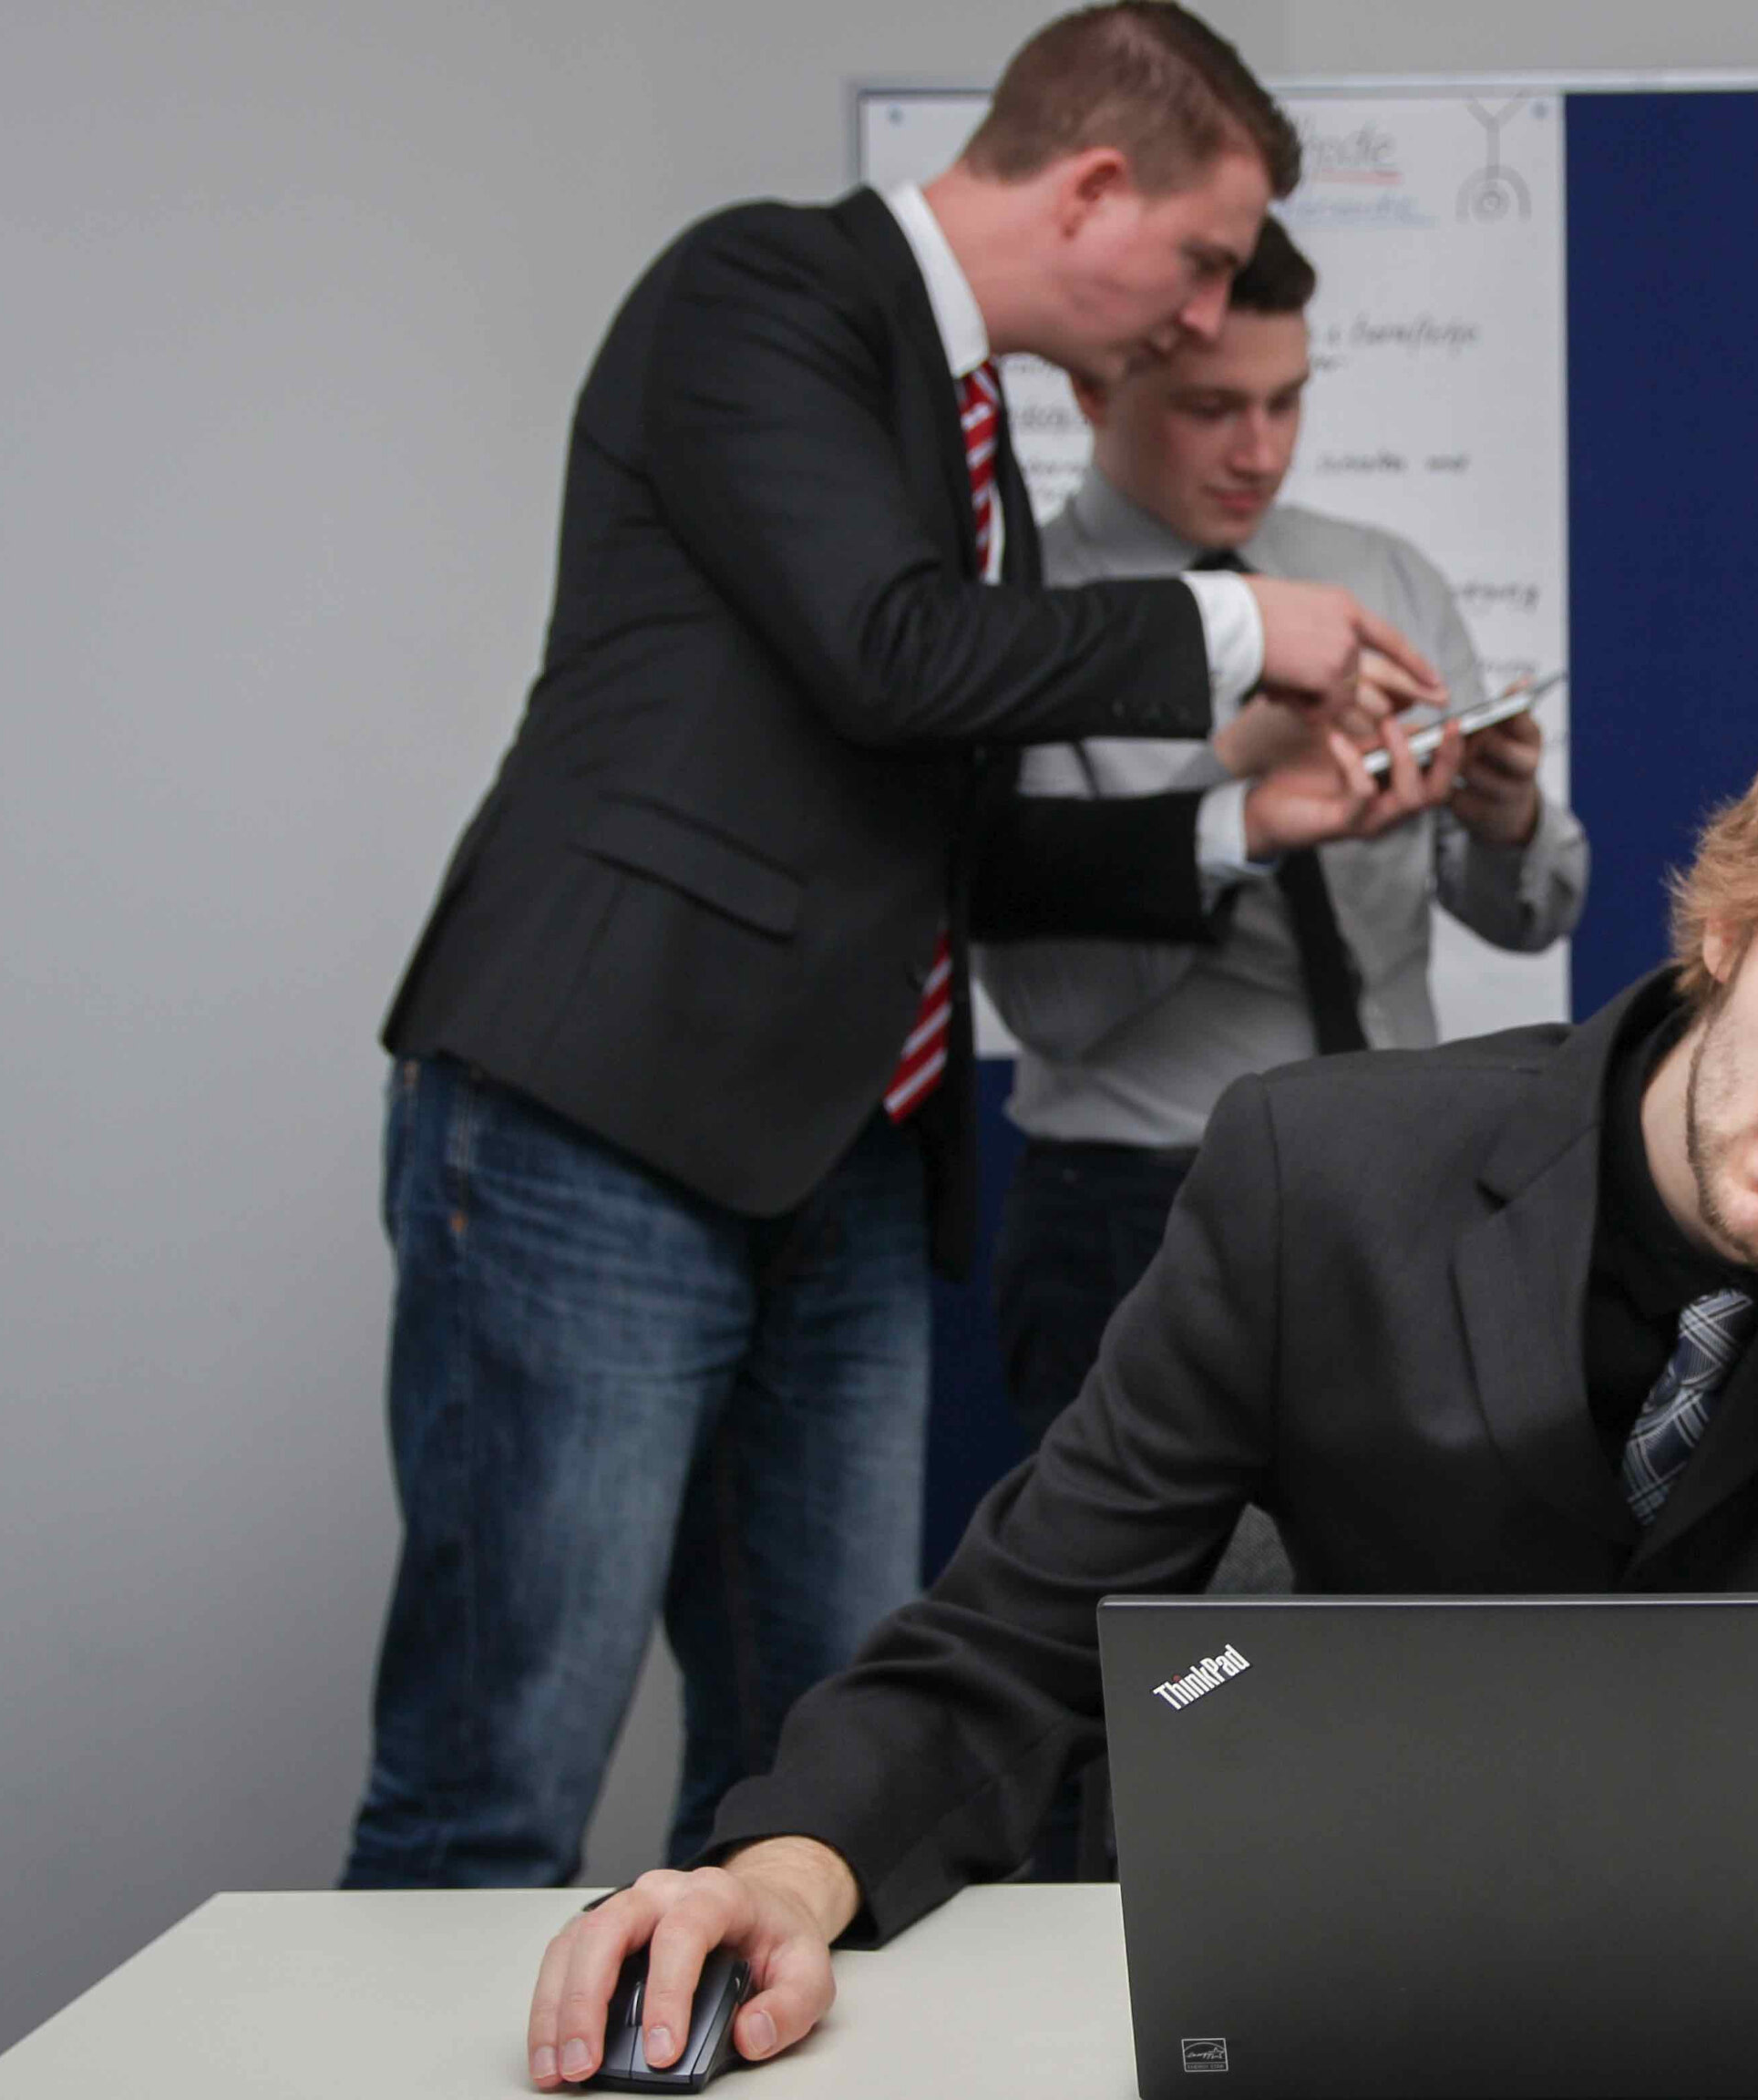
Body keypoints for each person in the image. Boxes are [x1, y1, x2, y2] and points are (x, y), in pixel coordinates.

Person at [518, 669, 1758, 2089]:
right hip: (1356, 2015)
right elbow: (1019, 1632)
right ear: (1738, 920)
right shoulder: (1326, 1176)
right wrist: (783, 1871)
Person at [348, 3, 1446, 1892]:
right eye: (1199, 259)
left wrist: (1242, 820)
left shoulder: (967, 444)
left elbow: (950, 840)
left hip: (846, 1160)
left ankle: (709, 2026)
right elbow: (891, 657)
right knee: (496, 1782)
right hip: (603, 1123)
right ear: (1090, 189)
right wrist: (1245, 627)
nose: (1205, 316)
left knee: (807, 1787)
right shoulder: (760, 293)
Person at [978, 213, 1589, 1478]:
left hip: (1411, 1186)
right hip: (1141, 1206)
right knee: (1141, 1596)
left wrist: (1503, 818)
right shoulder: (1024, 627)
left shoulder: (1378, 576)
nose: (1260, 450)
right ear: (1094, 389)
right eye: (1210, 409)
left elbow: (1533, 913)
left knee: (1426, 1585)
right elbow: (1054, 1009)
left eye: (1287, 401)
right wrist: (1235, 780)